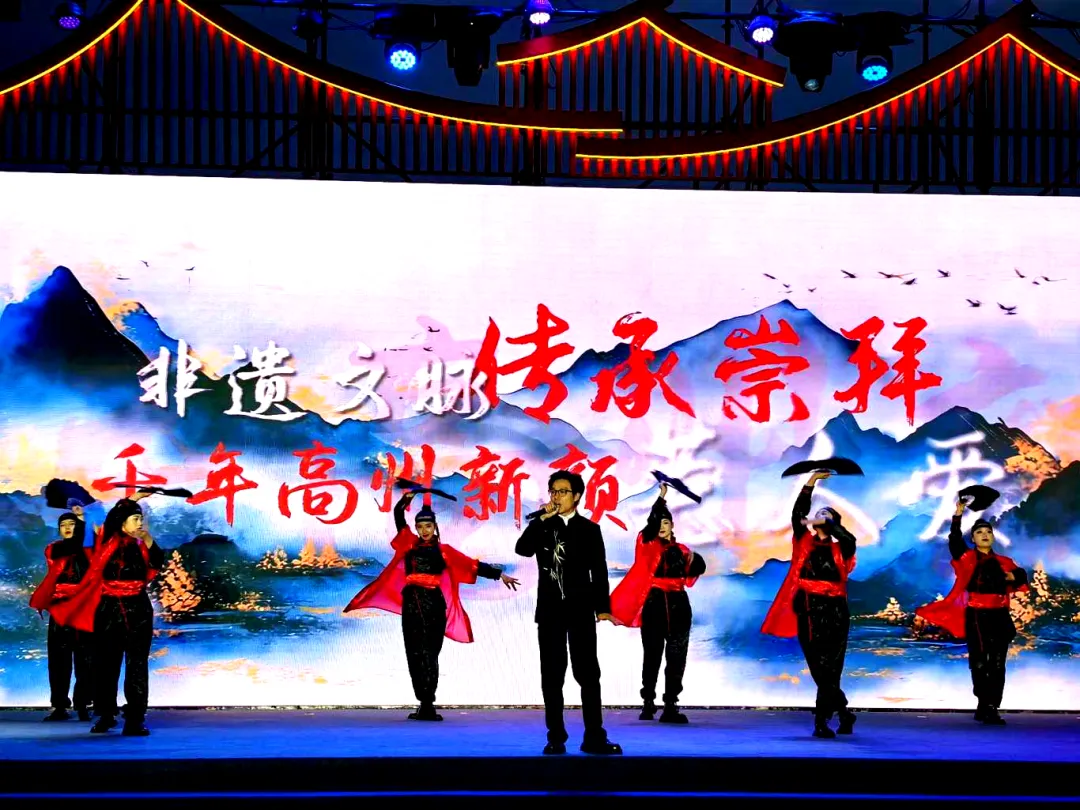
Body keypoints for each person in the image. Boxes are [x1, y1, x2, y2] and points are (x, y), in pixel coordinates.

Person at [344, 490, 519, 721]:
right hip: (412, 605)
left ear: (435, 527)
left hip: (434, 605)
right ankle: (424, 702)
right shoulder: (409, 544)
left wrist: (500, 575)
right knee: (414, 652)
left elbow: (472, 565)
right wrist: (405, 500)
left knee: (431, 653)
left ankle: (428, 703)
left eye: (428, 526)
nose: (424, 530)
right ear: (416, 528)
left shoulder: (445, 551)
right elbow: (398, 516)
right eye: (420, 526)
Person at [515, 470, 621, 755]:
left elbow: (599, 572)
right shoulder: (542, 526)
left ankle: (594, 737)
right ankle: (556, 737)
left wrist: (602, 609)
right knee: (552, 675)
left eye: (563, 492)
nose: (556, 496)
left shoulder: (589, 529)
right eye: (553, 491)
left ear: (576, 496)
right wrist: (541, 520)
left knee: (588, 674)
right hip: (550, 612)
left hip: (580, 611)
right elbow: (522, 549)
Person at [49, 492, 164, 736]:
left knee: (137, 664)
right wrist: (134, 497)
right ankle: (106, 714)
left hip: (138, 610)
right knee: (105, 664)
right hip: (109, 609)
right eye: (135, 518)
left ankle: (135, 718)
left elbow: (157, 561)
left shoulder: (142, 546)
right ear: (122, 522)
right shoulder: (106, 542)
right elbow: (112, 516)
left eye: (140, 518)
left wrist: (147, 538)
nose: (139, 523)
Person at [761, 471, 857, 739]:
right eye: (818, 514)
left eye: (826, 514)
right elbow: (797, 515)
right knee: (818, 664)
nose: (820, 516)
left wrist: (832, 524)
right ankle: (843, 711)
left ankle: (822, 721)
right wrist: (811, 482)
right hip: (808, 606)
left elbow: (849, 539)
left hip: (836, 609)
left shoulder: (842, 548)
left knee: (833, 666)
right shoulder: (803, 541)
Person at [915, 498, 1028, 725]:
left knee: (998, 663)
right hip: (977, 616)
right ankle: (984, 703)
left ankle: (991, 706)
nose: (985, 535)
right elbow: (955, 541)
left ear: (993, 537)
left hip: (1000, 616)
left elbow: (1021, 578)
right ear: (973, 539)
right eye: (979, 532)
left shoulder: (1005, 562)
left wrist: (1012, 576)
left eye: (988, 532)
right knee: (979, 662)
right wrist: (958, 514)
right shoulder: (967, 559)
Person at [610, 483, 706, 724]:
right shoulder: (647, 544)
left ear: (672, 526)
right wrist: (661, 498)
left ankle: (671, 705)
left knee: (677, 658)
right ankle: (648, 702)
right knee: (652, 656)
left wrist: (697, 563)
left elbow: (691, 576)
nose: (662, 526)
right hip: (654, 606)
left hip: (679, 606)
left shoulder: (683, 550)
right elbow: (651, 526)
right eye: (659, 523)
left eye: (666, 523)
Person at [29, 504, 94, 722]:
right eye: (63, 525)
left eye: (71, 524)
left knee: (86, 659)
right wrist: (81, 521)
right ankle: (59, 705)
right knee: (58, 660)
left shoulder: (89, 550)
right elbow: (72, 546)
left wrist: (83, 521)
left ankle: (83, 703)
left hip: (84, 609)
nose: (67, 528)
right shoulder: (54, 549)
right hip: (61, 610)